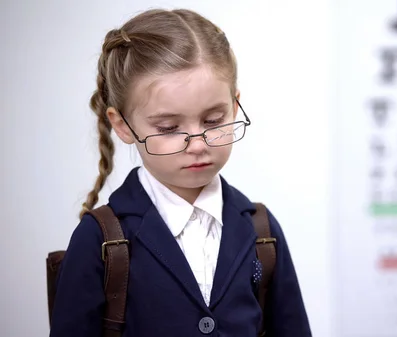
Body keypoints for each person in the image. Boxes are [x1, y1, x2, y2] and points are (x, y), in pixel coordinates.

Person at [49, 8, 311, 337]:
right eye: (170, 127)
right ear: (122, 125)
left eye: (214, 120)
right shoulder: (100, 240)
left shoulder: (262, 230)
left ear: (234, 105)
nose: (197, 144)